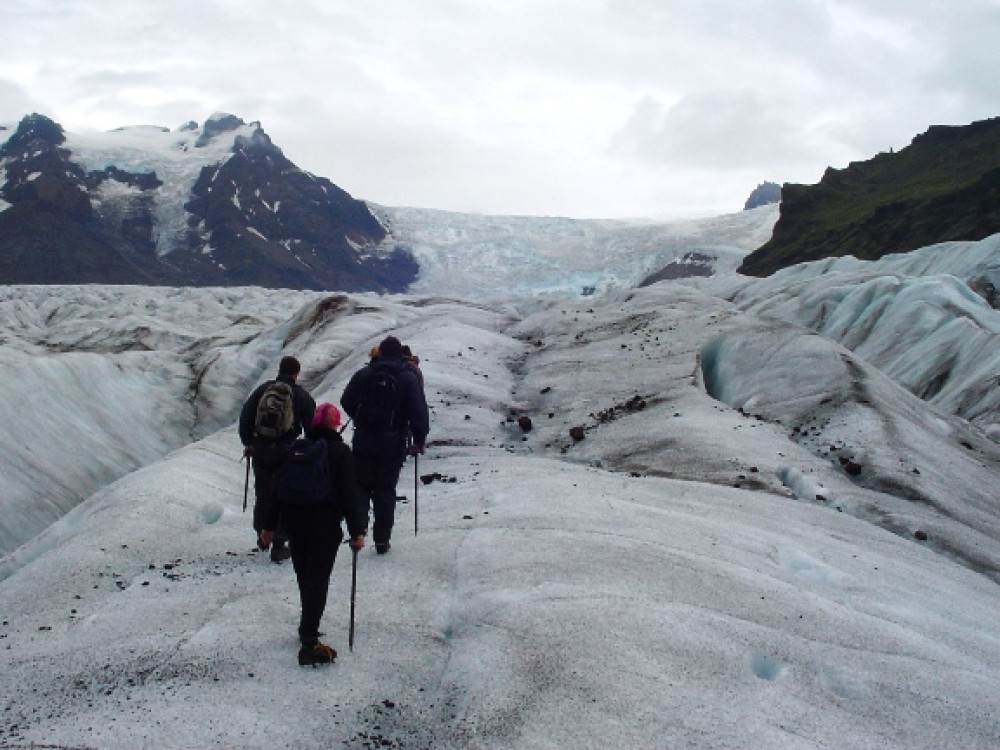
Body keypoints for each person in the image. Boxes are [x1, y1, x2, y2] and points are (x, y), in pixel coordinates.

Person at [259, 402, 367, 666]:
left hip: (294, 522)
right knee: (319, 579)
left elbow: (276, 490)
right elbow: (349, 495)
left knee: (305, 574)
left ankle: (307, 623)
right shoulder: (340, 452)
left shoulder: (295, 449)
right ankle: (309, 639)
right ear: (335, 424)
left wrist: (269, 526)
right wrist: (357, 531)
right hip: (325, 524)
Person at [341, 335, 429, 554]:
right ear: (400, 354)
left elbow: (345, 400)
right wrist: (419, 439)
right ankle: (382, 540)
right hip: (393, 441)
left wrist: (360, 418)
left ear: (380, 351)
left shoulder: (365, 374)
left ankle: (358, 531)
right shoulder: (407, 378)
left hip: (364, 438)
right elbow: (418, 411)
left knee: (361, 486)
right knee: (385, 489)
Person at [239, 355, 316, 562]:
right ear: (296, 373)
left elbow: (246, 416)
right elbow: (312, 427)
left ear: (279, 370)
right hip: (286, 451)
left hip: (261, 449)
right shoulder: (300, 396)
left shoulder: (263, 390)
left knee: (263, 492)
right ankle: (279, 543)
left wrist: (248, 442)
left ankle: (262, 535)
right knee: (284, 494)